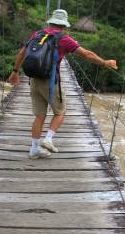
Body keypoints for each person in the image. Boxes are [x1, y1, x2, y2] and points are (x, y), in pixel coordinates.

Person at [9, 9, 117, 159]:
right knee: (60, 113)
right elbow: (87, 54)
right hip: (51, 81)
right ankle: (48, 139)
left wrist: (15, 71)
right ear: (64, 25)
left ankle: (34, 149)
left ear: (51, 22)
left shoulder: (37, 34)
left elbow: (22, 53)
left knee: (39, 116)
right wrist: (105, 62)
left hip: (33, 79)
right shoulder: (64, 39)